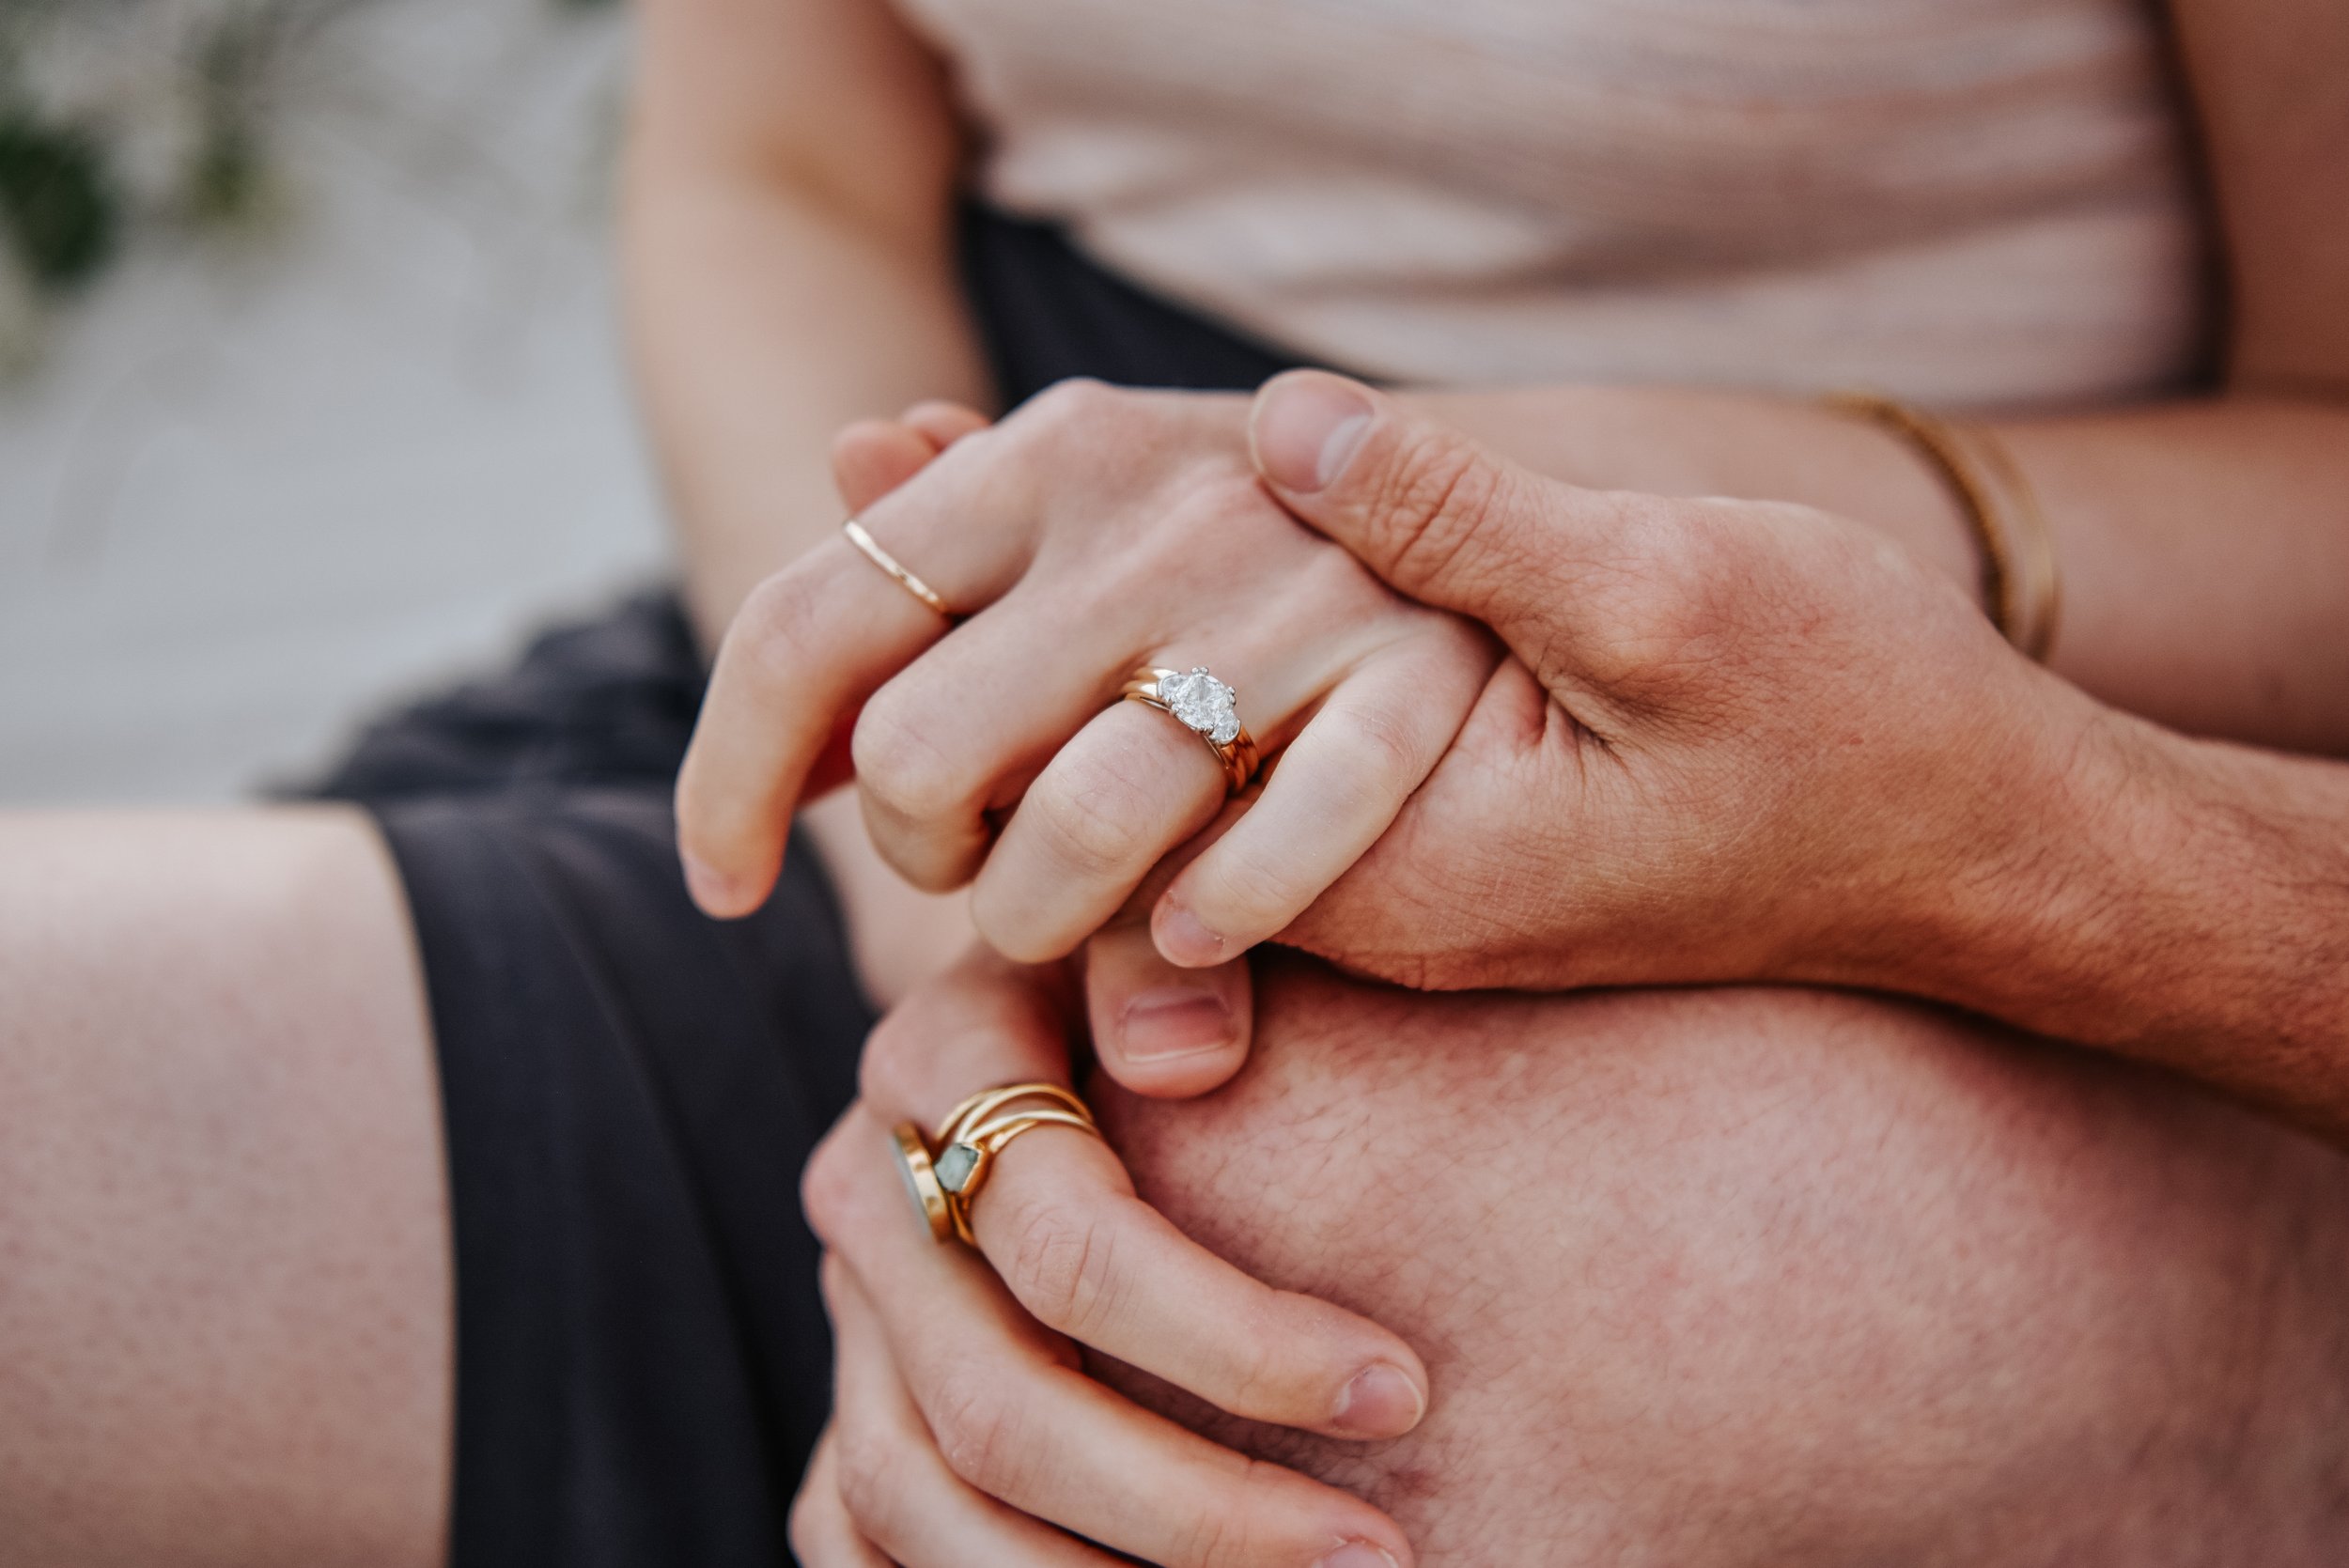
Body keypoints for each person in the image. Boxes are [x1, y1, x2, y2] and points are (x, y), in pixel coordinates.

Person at [3, 0, 2346, 1562]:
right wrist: (934, 887)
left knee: (1370, 1324)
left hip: (1959, 671)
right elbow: (779, 173)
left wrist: (1580, 517)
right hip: (957, 614)